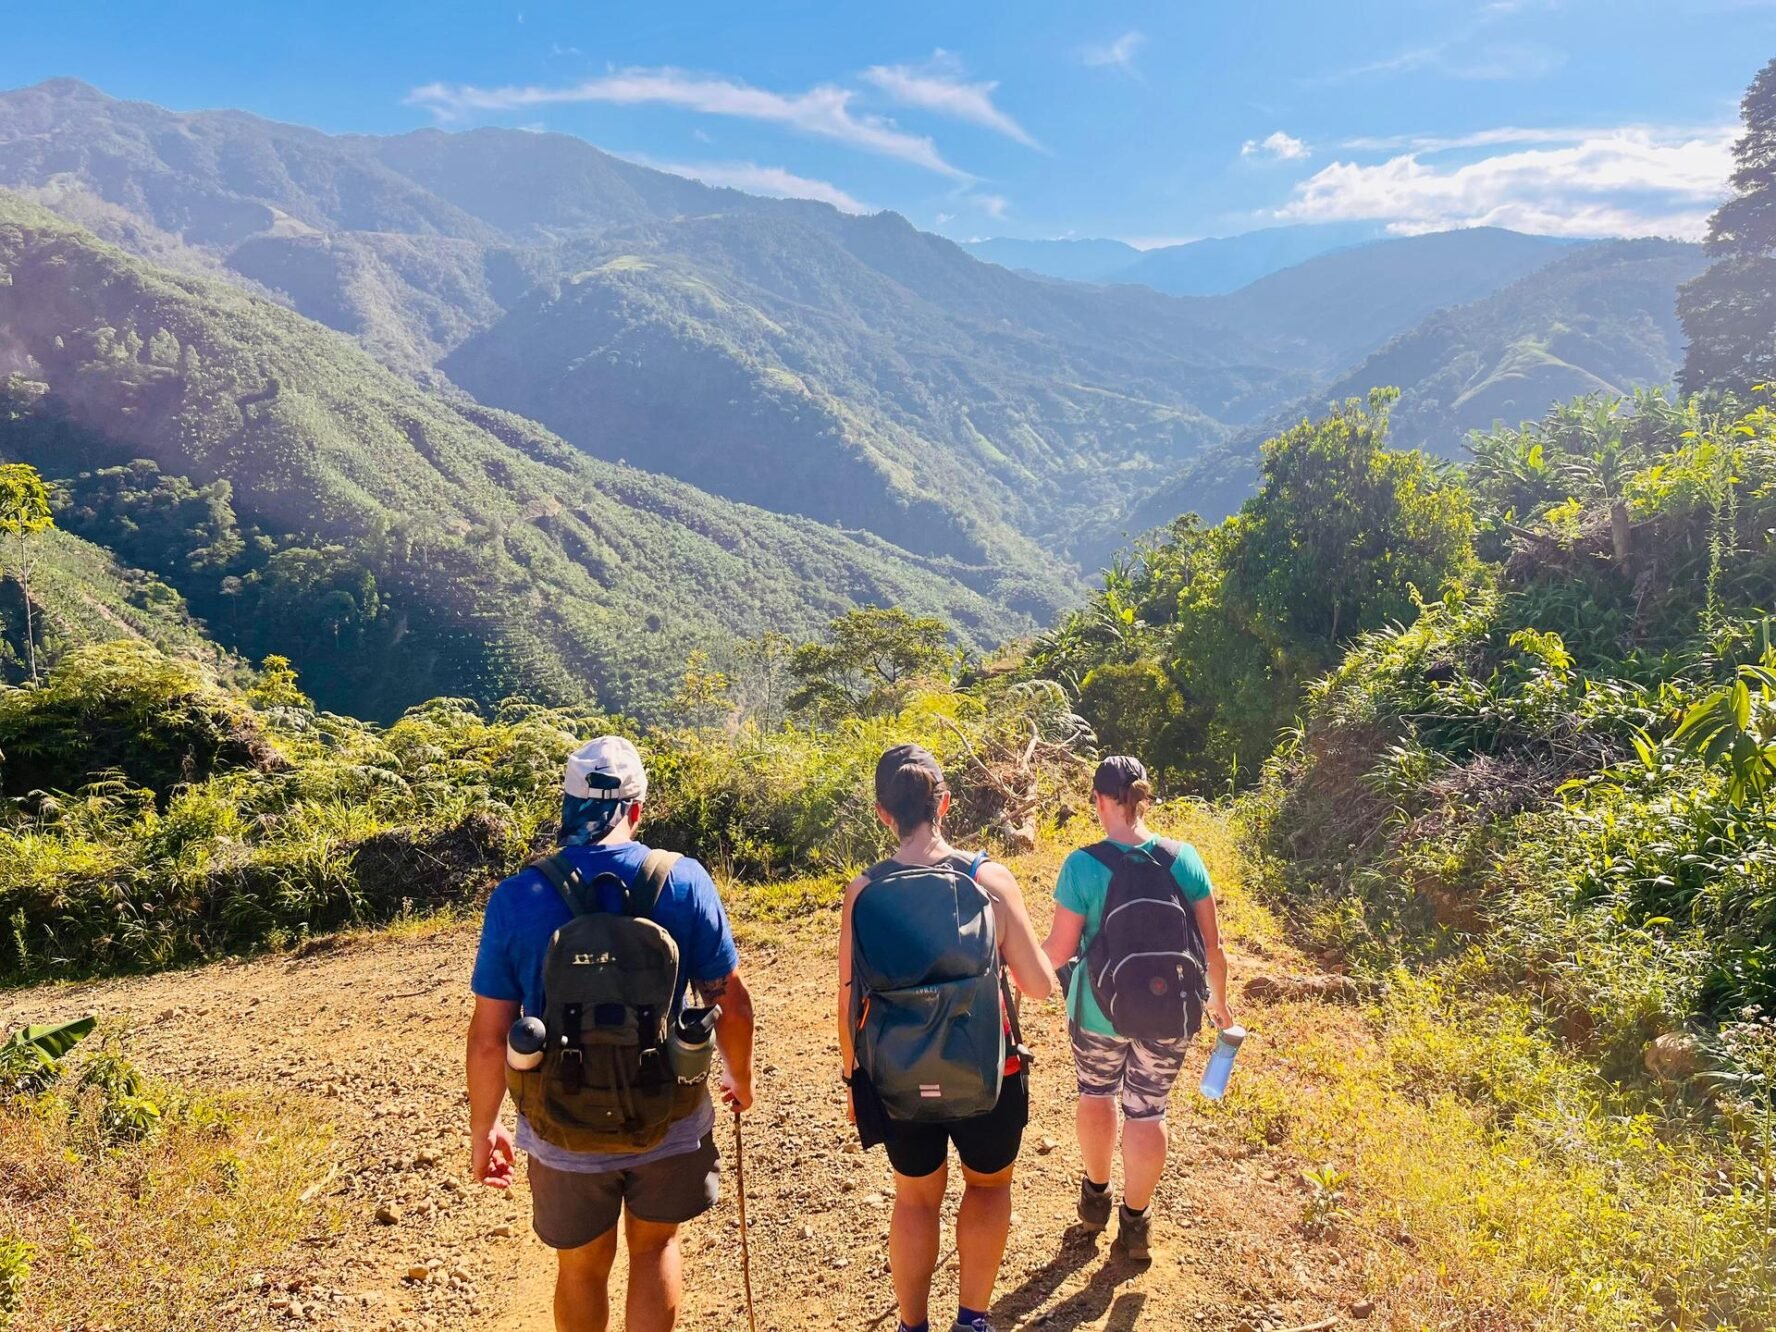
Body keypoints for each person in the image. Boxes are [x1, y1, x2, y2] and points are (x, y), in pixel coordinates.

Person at [466, 735, 755, 1332]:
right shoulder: (685, 881)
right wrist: (738, 1076)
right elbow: (731, 1002)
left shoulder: (518, 896)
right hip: (666, 1111)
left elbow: (491, 1036)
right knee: (653, 1248)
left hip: (561, 1122)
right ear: (638, 809)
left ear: (566, 804)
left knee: (580, 1268)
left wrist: (484, 1126)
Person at [837, 744, 1057, 1332]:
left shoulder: (863, 891)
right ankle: (972, 1321)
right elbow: (1037, 987)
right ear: (946, 804)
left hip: (899, 1074)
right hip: (988, 1071)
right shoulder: (990, 880)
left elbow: (850, 997)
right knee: (987, 1188)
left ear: (883, 813)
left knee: (913, 1199)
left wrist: (855, 1074)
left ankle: (912, 1325)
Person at [1041, 755, 1232, 1262]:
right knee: (1147, 1113)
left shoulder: (1083, 865)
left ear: (1101, 801)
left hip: (1098, 1015)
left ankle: (1095, 1196)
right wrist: (1220, 1005)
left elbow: (1058, 953)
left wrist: (1013, 963)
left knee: (1096, 1093)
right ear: (1143, 799)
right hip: (1171, 1013)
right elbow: (1213, 948)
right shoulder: (1183, 858)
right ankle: (1135, 1223)